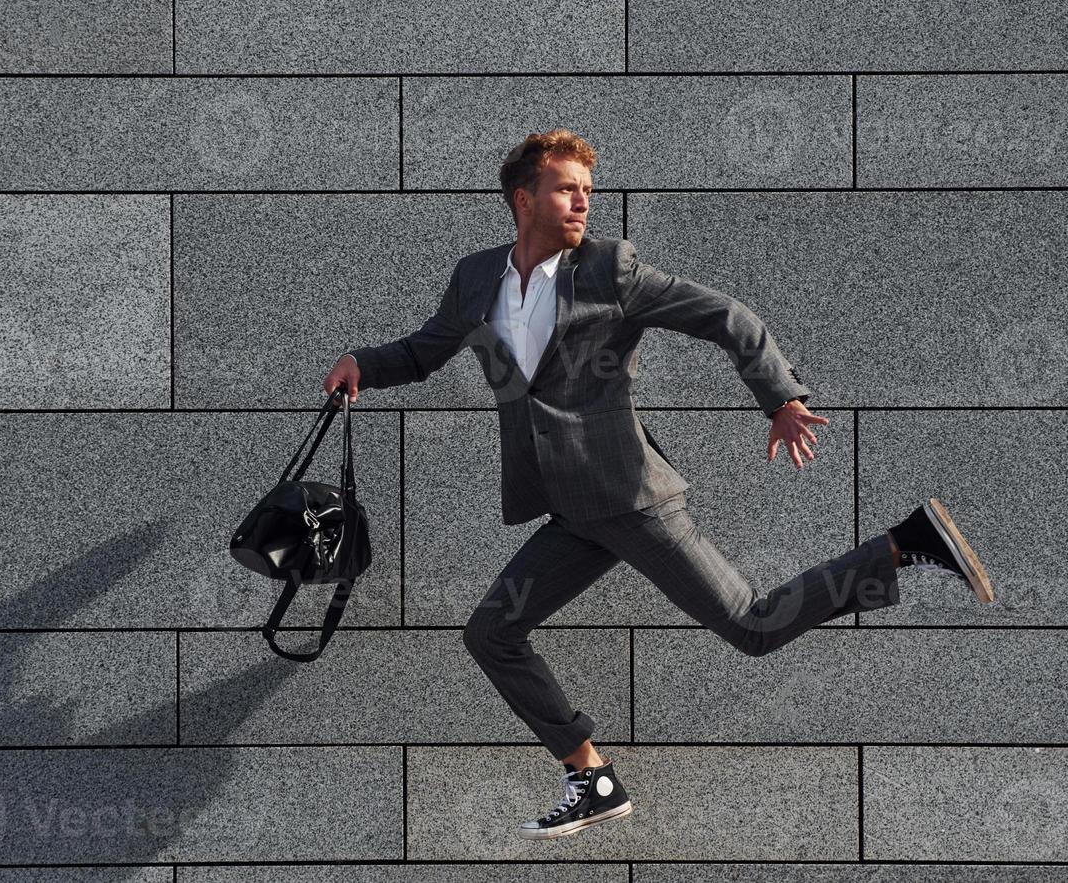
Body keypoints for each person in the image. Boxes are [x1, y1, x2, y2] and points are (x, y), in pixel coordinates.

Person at [323, 128, 995, 841]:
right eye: (565, 187)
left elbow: (726, 317)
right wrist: (362, 363)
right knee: (492, 632)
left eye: (587, 187)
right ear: (524, 199)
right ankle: (593, 777)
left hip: (630, 496)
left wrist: (781, 398)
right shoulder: (476, 278)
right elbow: (426, 349)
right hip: (569, 510)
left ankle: (903, 545)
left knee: (755, 625)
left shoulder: (610, 270)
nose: (583, 198)